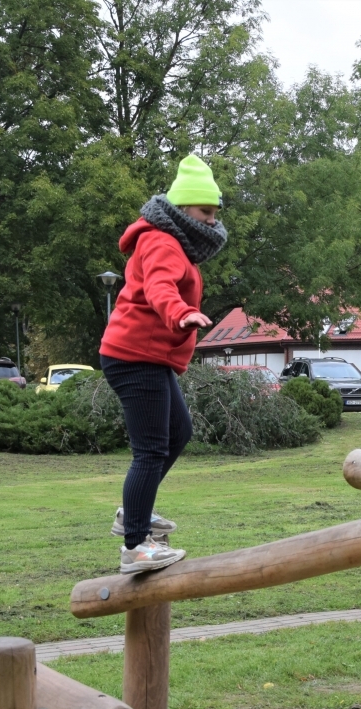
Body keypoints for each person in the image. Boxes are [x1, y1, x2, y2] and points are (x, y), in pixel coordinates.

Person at [99, 154, 227, 573]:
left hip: (147, 357)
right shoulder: (160, 240)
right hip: (136, 356)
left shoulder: (172, 241)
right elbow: (159, 286)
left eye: (215, 213)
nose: (211, 222)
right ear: (183, 209)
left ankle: (133, 511)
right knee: (150, 449)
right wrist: (181, 313)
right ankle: (135, 546)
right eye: (205, 212)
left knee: (178, 431)